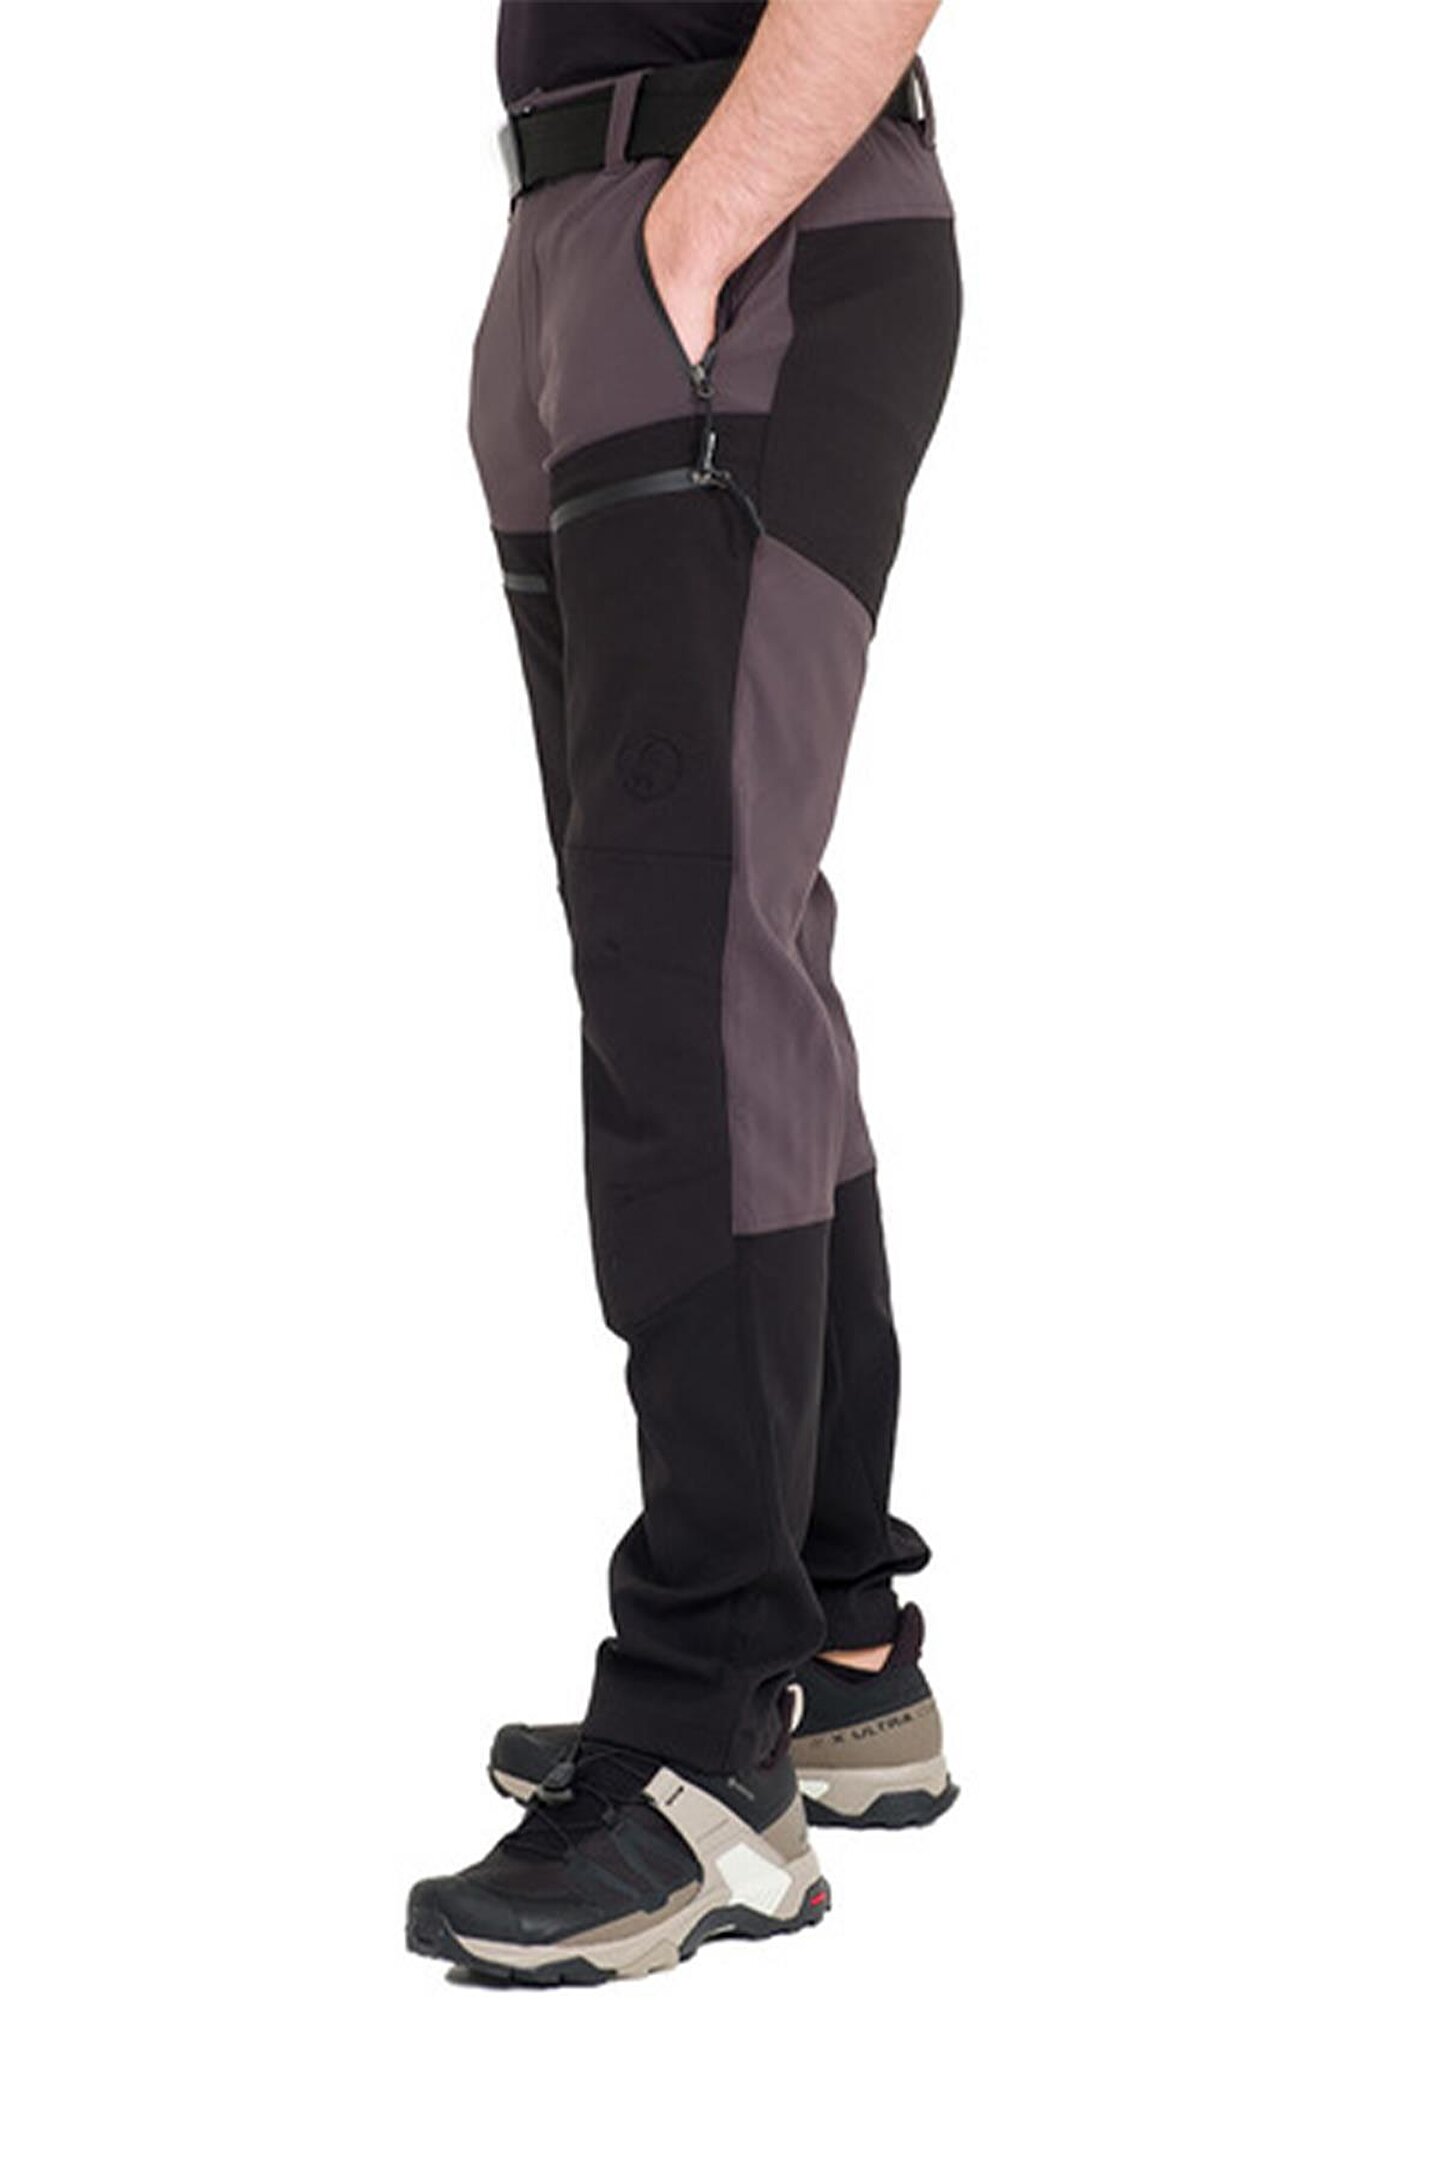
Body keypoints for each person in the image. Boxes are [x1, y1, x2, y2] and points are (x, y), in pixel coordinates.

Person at [408, 0, 963, 1985]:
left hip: (741, 222)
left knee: (689, 966)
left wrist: (697, 225)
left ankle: (704, 1735)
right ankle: (834, 1638)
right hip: (603, 242)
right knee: (725, 943)